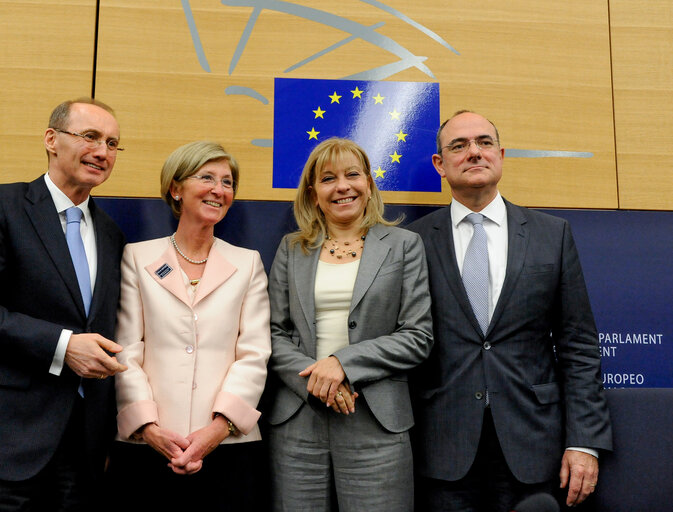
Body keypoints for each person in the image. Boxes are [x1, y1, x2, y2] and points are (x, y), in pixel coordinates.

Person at [406, 110, 613, 511]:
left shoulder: (551, 235)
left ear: (500, 154)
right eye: (459, 146)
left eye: (484, 143)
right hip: (441, 449)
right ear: (440, 165)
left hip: (534, 447)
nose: (474, 153)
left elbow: (579, 346)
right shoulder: (411, 243)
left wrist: (584, 441)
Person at [0, 97, 128, 511]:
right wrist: (64, 345)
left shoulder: (112, 235)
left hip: (83, 457)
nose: (102, 152)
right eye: (90, 137)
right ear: (51, 140)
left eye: (113, 144)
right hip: (1, 445)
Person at [266, 137, 434, 511]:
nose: (342, 186)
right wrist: (317, 381)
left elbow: (418, 336)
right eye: (328, 178)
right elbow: (273, 335)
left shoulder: (404, 245)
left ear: (369, 183)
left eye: (352, 175)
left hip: (376, 422)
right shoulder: (292, 248)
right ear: (313, 193)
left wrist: (343, 363)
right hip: (298, 423)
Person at [107, 141, 271, 510]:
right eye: (207, 177)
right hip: (147, 444)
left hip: (228, 445)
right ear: (175, 188)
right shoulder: (138, 256)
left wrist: (217, 429)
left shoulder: (247, 263)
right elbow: (127, 351)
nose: (219, 189)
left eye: (228, 182)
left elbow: (255, 352)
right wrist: (148, 428)